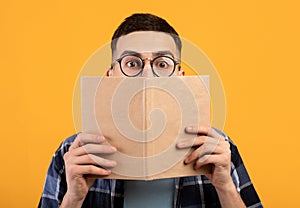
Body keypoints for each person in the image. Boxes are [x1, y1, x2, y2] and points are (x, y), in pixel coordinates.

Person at [38, 13, 263, 208]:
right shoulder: (73, 152)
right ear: (110, 75)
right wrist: (73, 199)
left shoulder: (216, 149)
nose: (147, 75)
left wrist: (226, 188)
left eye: (162, 63)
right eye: (132, 63)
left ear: (180, 77)